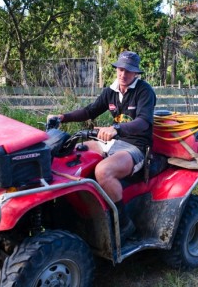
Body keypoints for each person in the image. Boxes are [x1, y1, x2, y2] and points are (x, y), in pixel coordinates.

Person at [47, 51, 156, 241]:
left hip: (136, 146)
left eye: (129, 71)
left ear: (136, 73)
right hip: (113, 140)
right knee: (71, 155)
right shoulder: (110, 91)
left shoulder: (144, 92)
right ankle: (72, 210)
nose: (123, 74)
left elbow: (143, 122)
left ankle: (124, 224)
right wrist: (63, 117)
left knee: (103, 172)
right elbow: (90, 111)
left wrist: (116, 128)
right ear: (117, 69)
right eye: (121, 69)